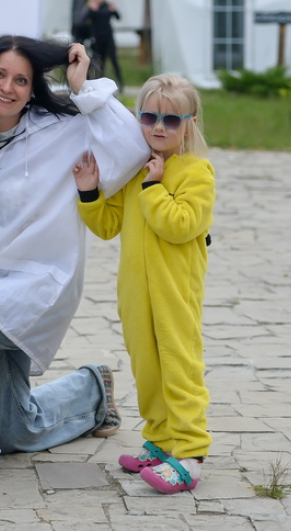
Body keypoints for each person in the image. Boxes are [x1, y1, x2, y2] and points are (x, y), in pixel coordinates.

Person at [0, 36, 150, 483]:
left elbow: (132, 148)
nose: (8, 87)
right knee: (14, 429)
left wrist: (83, 87)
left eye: (21, 80)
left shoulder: (62, 128)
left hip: (39, 280)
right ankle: (92, 391)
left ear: (33, 89)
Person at [74, 74, 214, 494]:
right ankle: (161, 441)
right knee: (148, 371)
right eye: (149, 117)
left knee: (179, 370)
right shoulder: (135, 170)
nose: (158, 127)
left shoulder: (197, 172)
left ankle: (190, 454)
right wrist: (89, 192)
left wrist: (154, 187)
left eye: (171, 120)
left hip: (175, 294)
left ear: (189, 124)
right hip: (135, 293)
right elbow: (108, 225)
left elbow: (181, 225)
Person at [84, 0, 123, 91]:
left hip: (108, 38)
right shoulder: (92, 7)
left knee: (114, 60)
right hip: (97, 39)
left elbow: (118, 17)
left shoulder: (108, 6)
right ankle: (99, 85)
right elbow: (85, 20)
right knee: (99, 63)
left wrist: (114, 9)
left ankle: (121, 83)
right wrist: (92, 10)